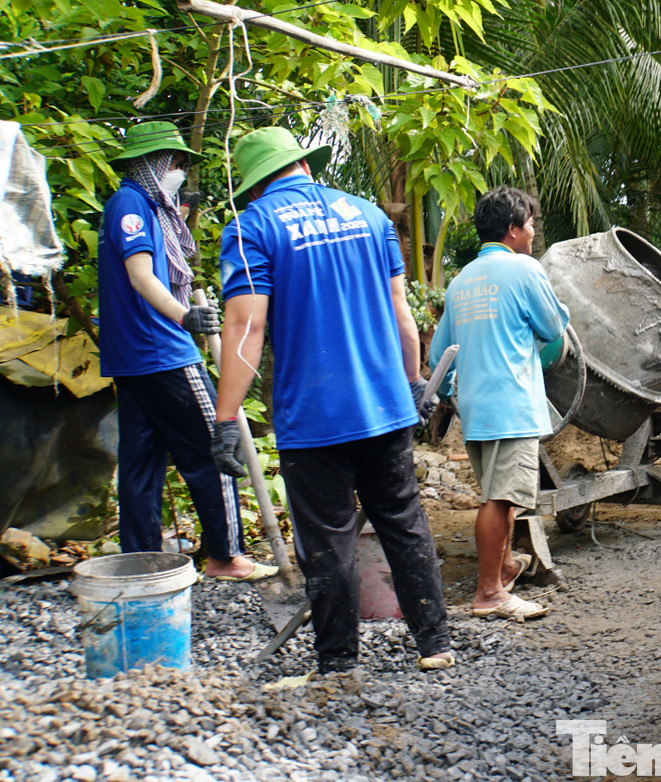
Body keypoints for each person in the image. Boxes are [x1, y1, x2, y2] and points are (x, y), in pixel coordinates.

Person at [211, 126, 452, 674]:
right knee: (402, 520)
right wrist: (412, 382)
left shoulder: (253, 226)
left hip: (314, 416)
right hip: (384, 405)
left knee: (328, 537)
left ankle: (340, 661)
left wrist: (226, 417)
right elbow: (401, 311)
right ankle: (435, 642)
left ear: (255, 185)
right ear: (303, 166)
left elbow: (246, 327)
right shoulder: (367, 215)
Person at [97, 121, 271, 581]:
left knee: (141, 464)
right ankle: (225, 555)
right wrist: (184, 316)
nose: (179, 172)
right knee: (211, 451)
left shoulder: (132, 205)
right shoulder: (133, 206)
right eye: (175, 164)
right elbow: (141, 275)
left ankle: (140, 562)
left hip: (131, 357)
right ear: (154, 164)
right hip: (161, 350)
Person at [430, 187, 569, 622]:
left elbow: (439, 357)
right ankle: (489, 592)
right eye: (528, 224)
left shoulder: (460, 281)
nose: (531, 232)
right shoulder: (524, 270)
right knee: (501, 500)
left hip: (475, 406)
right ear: (512, 230)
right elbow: (552, 327)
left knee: (498, 494)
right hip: (512, 403)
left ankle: (505, 567)